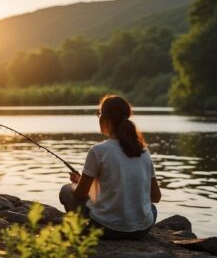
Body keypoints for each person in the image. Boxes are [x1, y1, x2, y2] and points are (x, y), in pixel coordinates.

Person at [59, 95, 161, 239]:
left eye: (98, 114)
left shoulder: (98, 151)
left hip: (107, 229)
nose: (98, 117)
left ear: (105, 120)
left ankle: (79, 230)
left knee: (65, 190)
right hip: (142, 229)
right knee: (152, 208)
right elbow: (156, 197)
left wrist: (77, 184)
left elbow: (81, 195)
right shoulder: (144, 152)